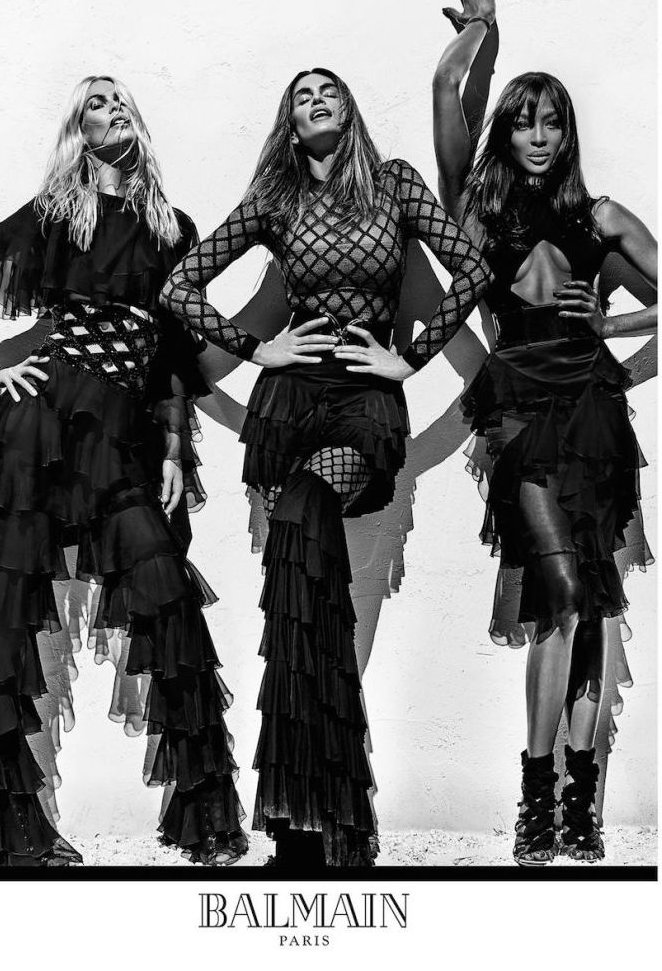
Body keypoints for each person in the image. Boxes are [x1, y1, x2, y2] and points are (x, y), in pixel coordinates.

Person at [160, 67, 492, 867]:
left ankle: (327, 807)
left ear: (349, 109)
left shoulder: (396, 184)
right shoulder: (275, 198)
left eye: (327, 92)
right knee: (298, 581)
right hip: (290, 405)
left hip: (364, 408)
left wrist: (412, 357)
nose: (314, 101)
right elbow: (179, 286)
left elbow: (474, 273)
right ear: (290, 118)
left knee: (304, 519)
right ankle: (304, 822)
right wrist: (255, 348)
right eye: (301, 96)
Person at [0, 75, 248, 866]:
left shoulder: (173, 227)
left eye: (117, 101)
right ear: (77, 132)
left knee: (168, 604)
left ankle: (207, 821)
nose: (109, 110)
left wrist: (176, 445)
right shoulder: (56, 213)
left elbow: (174, 349)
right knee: (1, 620)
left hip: (124, 433)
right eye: (93, 105)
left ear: (135, 121)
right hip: (41, 427)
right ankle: (14, 834)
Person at [431, 0, 657, 864]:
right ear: (507, 130)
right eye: (524, 120)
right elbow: (445, 97)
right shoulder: (473, 209)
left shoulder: (601, 216)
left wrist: (617, 327)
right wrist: (481, 34)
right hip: (520, 419)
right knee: (560, 601)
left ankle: (579, 807)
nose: (537, 135)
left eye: (551, 123)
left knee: (592, 609)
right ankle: (536, 795)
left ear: (568, 135)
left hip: (594, 419)